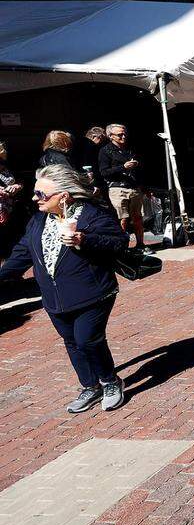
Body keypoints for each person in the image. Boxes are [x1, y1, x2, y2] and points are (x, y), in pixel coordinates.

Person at [0, 165, 129, 413]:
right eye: (36, 192)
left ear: (64, 196)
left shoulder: (93, 215)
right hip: (54, 297)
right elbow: (22, 253)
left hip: (93, 293)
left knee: (87, 339)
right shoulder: (38, 219)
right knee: (71, 342)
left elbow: (119, 243)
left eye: (42, 194)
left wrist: (84, 240)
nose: (35, 198)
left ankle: (111, 381)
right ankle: (90, 387)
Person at [99, 124, 151, 253]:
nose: (123, 136)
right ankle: (122, 247)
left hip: (134, 187)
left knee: (138, 217)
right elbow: (104, 172)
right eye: (119, 134)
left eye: (124, 133)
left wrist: (143, 186)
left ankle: (140, 244)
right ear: (111, 136)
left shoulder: (130, 149)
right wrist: (123, 167)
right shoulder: (105, 151)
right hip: (117, 188)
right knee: (122, 218)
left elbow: (140, 170)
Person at [0, 141, 24, 261]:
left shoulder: (8, 164)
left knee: (10, 239)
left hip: (10, 208)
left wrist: (17, 187)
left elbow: (20, 180)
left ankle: (10, 269)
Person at [80, 127, 107, 193]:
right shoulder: (90, 146)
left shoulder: (79, 144)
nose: (102, 142)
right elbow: (88, 164)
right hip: (88, 178)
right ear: (93, 136)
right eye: (101, 139)